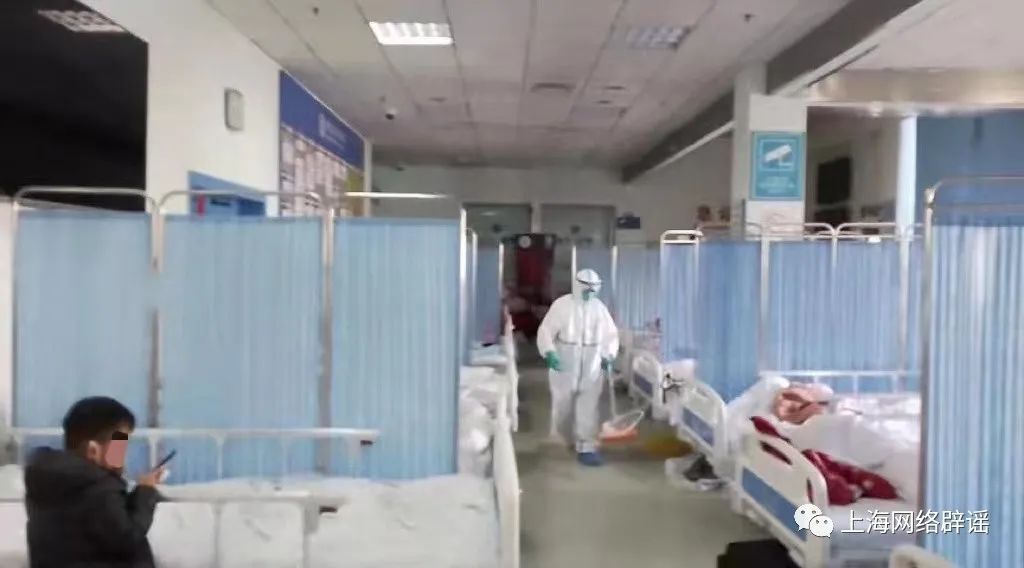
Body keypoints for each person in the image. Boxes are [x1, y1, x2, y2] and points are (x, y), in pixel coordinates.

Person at [24, 396, 164, 568]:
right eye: (119, 446)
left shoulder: (46, 481)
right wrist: (145, 492)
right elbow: (127, 537)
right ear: (93, 450)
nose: (123, 455)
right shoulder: (98, 487)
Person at [537, 268, 619, 467]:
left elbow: (611, 336)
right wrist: (549, 352)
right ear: (577, 286)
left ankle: (586, 445)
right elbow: (546, 330)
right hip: (566, 361)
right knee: (562, 404)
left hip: (592, 363)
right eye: (586, 288)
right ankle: (562, 438)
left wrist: (609, 355)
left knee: (588, 406)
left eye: (593, 289)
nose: (590, 292)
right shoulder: (562, 305)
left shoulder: (599, 309)